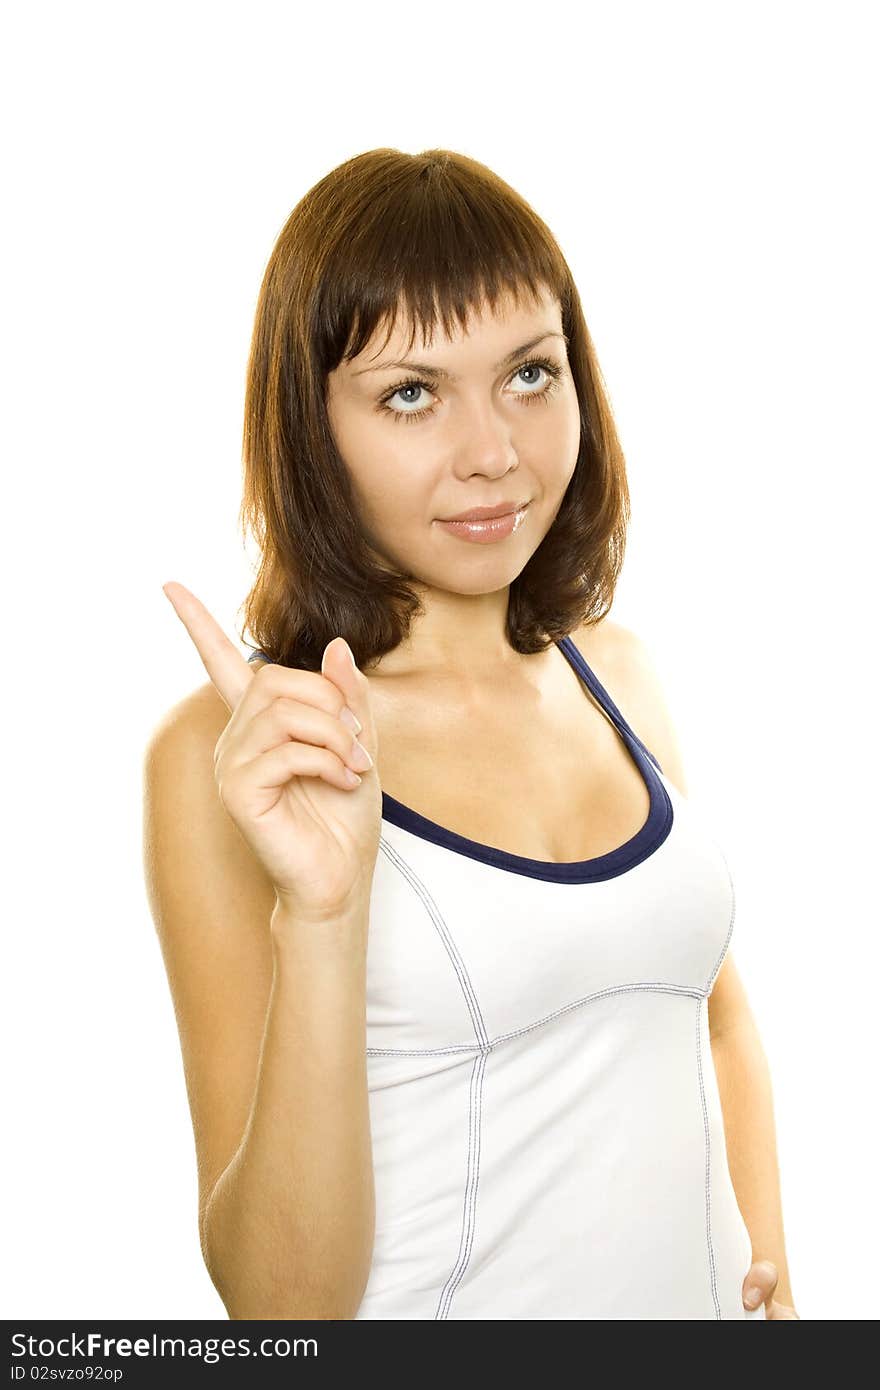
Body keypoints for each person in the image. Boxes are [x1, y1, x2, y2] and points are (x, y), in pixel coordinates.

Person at [143, 148, 798, 1320]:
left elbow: (713, 1014)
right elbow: (280, 1311)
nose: (494, 451)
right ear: (310, 426)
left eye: (530, 375)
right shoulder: (244, 754)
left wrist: (777, 1289)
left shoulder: (621, 676)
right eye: (410, 393)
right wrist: (325, 912)